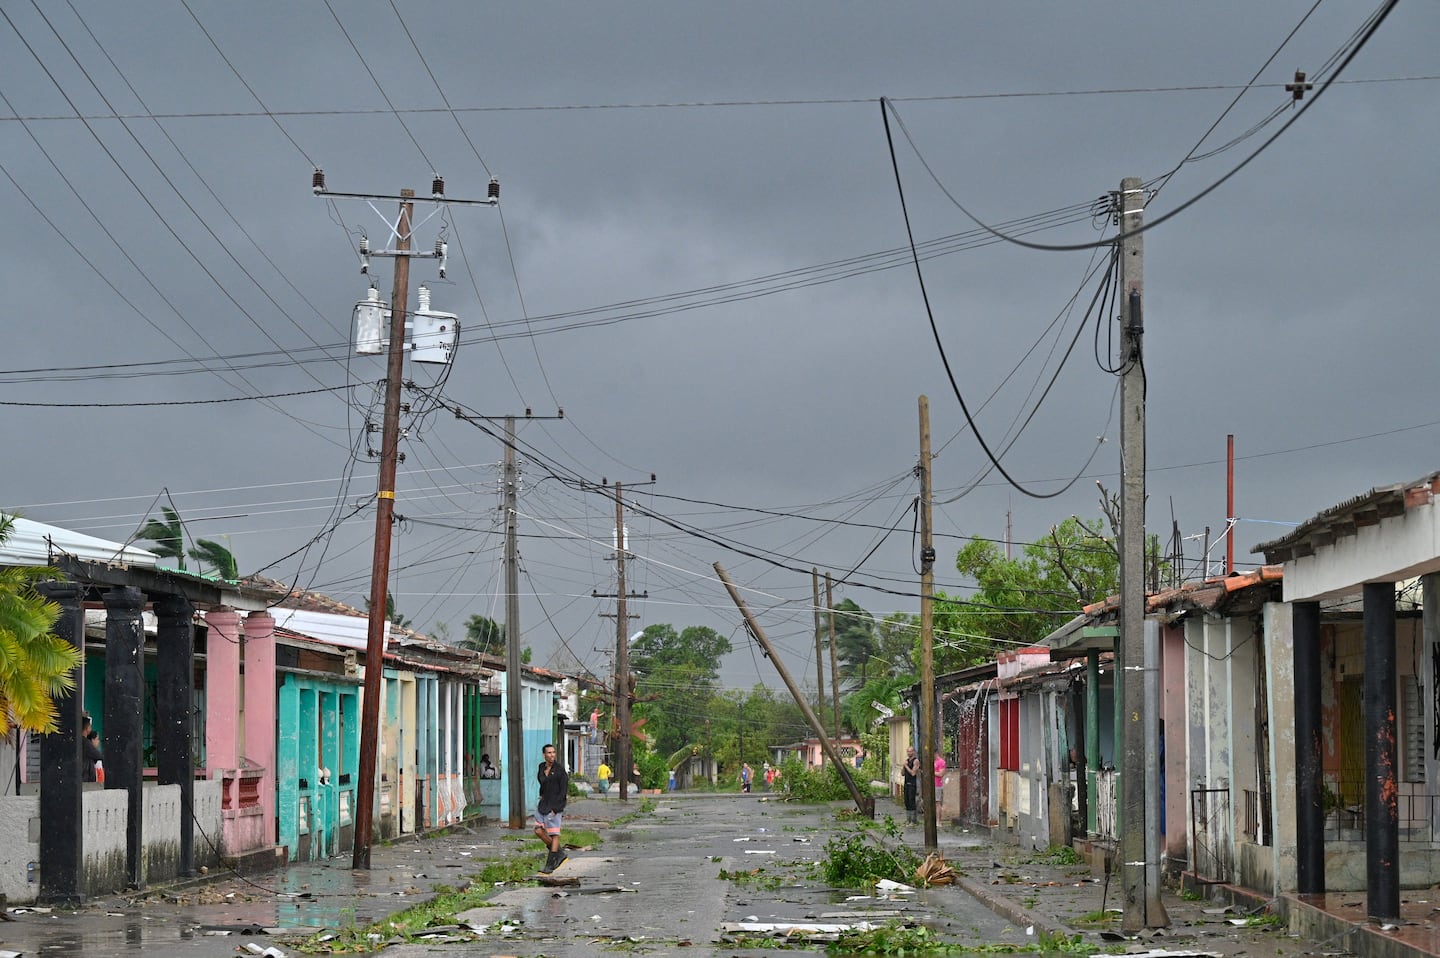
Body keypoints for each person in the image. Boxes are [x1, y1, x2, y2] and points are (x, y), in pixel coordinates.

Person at [533, 743, 570, 874]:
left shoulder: (560, 770)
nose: (552, 755)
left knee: (554, 834)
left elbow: (563, 790)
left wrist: (557, 808)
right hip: (543, 804)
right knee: (538, 830)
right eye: (549, 753)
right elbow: (542, 784)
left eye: (553, 752)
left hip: (555, 805)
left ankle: (551, 863)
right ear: (544, 755)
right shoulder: (541, 767)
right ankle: (559, 852)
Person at [901, 746, 920, 824]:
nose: (909, 753)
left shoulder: (916, 761)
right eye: (908, 751)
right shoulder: (907, 761)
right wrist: (903, 766)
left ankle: (913, 820)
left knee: (912, 801)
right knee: (907, 801)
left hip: (912, 784)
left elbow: (913, 773)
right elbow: (902, 773)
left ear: (913, 752)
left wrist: (906, 766)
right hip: (906, 783)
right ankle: (908, 819)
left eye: (910, 751)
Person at [81, 715, 101, 783]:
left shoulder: (79, 741)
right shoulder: (85, 742)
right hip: (84, 778)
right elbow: (99, 756)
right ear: (87, 728)